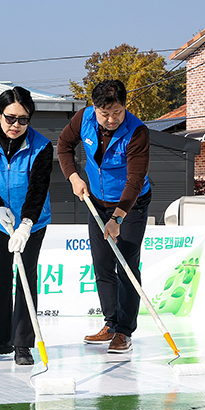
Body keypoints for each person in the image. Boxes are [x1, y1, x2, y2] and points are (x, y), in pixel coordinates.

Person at [57, 79, 151, 354]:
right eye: (104, 113)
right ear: (95, 108)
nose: (111, 120)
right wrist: (73, 177)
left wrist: (118, 217)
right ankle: (110, 323)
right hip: (96, 202)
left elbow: (134, 180)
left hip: (130, 205)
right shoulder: (83, 118)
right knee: (102, 264)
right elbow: (63, 146)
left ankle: (124, 331)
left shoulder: (137, 132)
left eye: (117, 113)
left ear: (125, 107)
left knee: (126, 264)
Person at [0, 86, 53, 365]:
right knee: (0, 276)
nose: (16, 125)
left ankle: (22, 343)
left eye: (23, 119)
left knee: (26, 277)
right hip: (1, 220)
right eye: (10, 118)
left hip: (32, 222)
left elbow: (38, 188)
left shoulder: (41, 146)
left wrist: (27, 222)